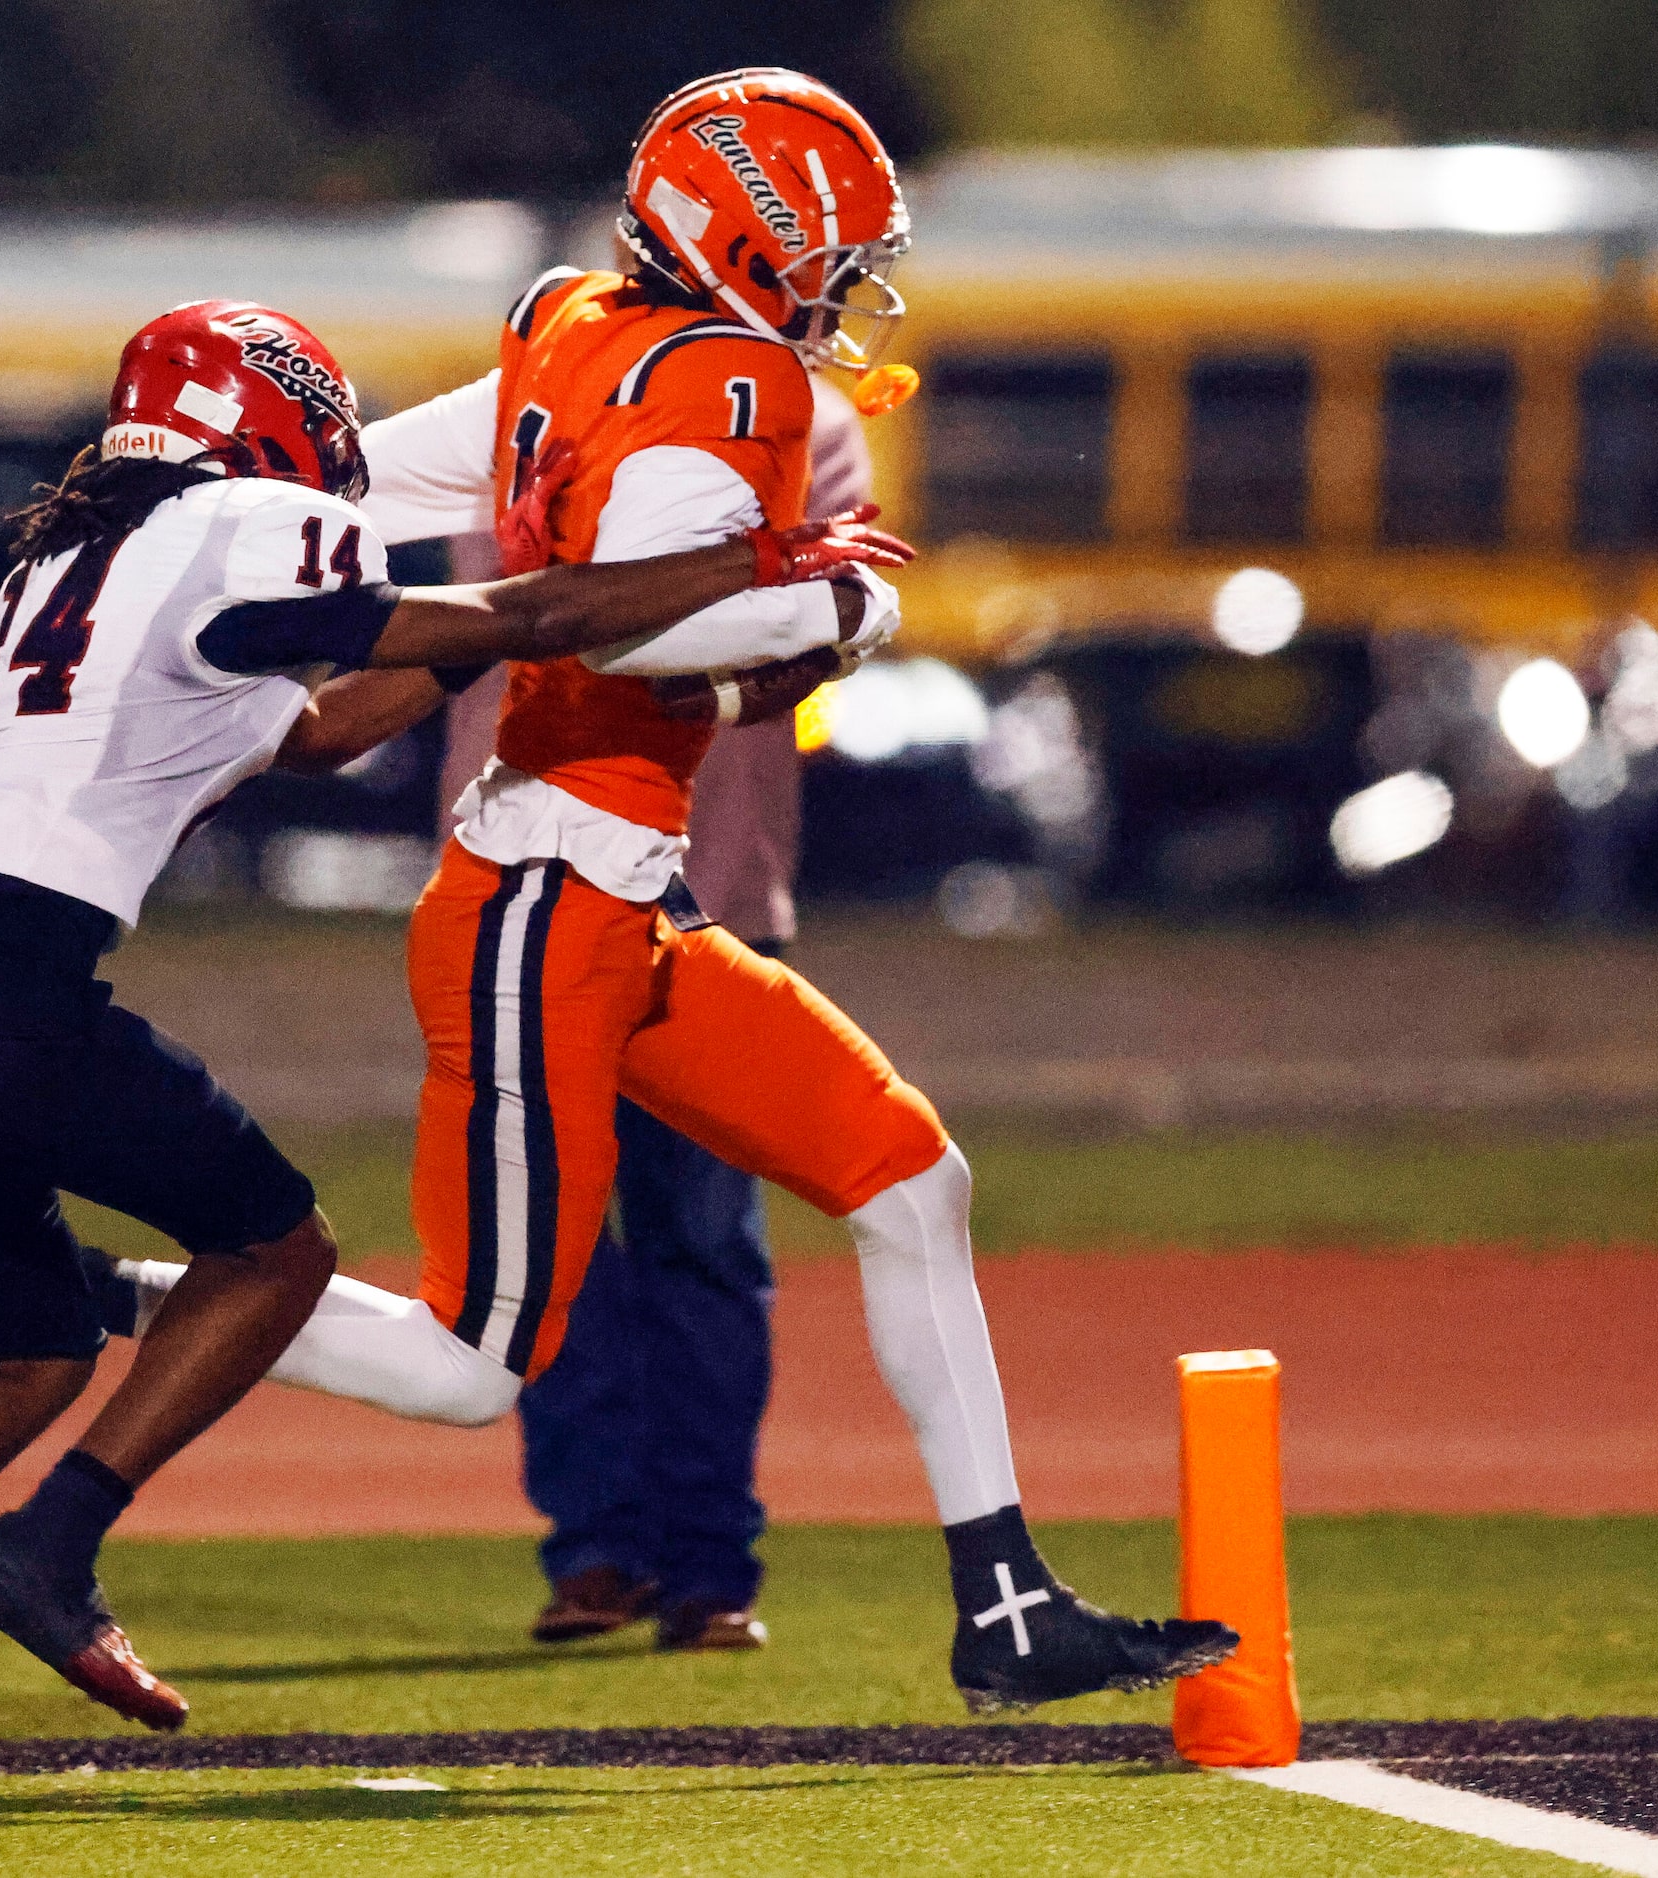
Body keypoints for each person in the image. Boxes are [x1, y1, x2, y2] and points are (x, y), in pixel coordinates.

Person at [102, 69, 1237, 1714]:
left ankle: (1003, 1601)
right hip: (536, 909)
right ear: (748, 235)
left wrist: (235, 527)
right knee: (468, 1369)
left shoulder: (581, 320)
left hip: (626, 907)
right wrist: (826, 618)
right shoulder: (727, 378)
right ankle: (77, 1287)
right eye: (832, 253)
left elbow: (426, 492)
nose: (849, 290)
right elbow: (626, 625)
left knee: (911, 1178)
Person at [0, 296, 909, 1804]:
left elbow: (323, 732)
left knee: (27, 1344)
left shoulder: (66, 558)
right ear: (263, 418)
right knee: (273, 1254)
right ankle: (50, 1545)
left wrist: (502, 643)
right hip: (7, 984)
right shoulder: (248, 521)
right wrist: (747, 563)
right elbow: (522, 616)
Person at [433, 379, 858, 1653]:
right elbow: (507, 613)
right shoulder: (526, 407)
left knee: (699, 1240)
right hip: (524, 876)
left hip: (703, 887)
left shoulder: (806, 419)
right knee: (555, 1251)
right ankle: (599, 1550)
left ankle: (705, 1560)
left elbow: (807, 631)